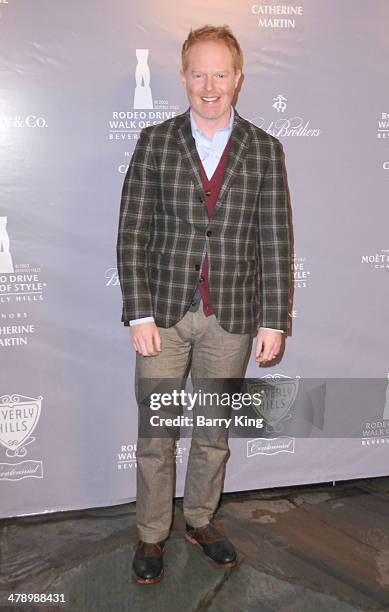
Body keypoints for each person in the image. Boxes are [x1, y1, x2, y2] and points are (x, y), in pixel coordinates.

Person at [117, 24, 292, 584]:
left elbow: (275, 240)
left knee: (213, 432)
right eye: (199, 73)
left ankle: (198, 520)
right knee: (156, 434)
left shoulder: (265, 149)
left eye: (221, 73)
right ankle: (150, 534)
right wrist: (139, 313)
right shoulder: (155, 141)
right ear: (184, 77)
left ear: (238, 79)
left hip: (235, 317)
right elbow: (133, 232)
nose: (209, 85)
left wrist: (274, 319)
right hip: (164, 316)